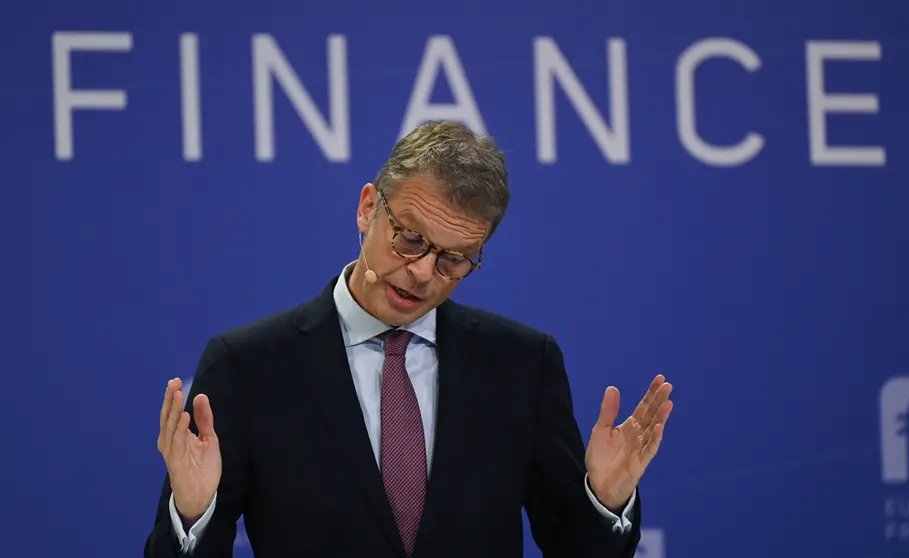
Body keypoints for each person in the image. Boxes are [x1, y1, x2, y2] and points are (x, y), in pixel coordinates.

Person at [145, 120, 674, 558]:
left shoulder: (521, 365)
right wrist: (192, 513)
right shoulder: (250, 366)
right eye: (411, 239)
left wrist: (605, 500)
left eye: (452, 259)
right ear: (368, 208)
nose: (423, 273)